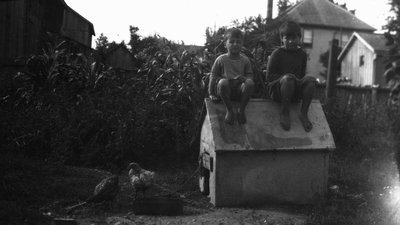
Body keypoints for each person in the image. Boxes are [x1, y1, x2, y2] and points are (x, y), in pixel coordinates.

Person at [265, 21, 316, 132]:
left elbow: (302, 75)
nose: (291, 41)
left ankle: (303, 114)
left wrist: (298, 80)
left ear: (300, 38)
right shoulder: (277, 53)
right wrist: (286, 78)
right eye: (287, 38)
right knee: (288, 79)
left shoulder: (302, 54)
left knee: (310, 80)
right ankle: (285, 112)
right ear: (281, 39)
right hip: (278, 90)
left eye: (294, 38)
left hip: (293, 90)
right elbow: (269, 78)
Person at [208, 28, 255, 125]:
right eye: (232, 42)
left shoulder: (245, 60)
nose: (235, 44)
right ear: (225, 44)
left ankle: (241, 110)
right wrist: (211, 93)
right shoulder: (221, 59)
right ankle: (229, 110)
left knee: (249, 83)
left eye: (238, 42)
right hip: (225, 91)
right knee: (223, 82)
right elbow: (213, 76)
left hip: (239, 90)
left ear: (242, 44)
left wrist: (245, 79)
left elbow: (250, 76)